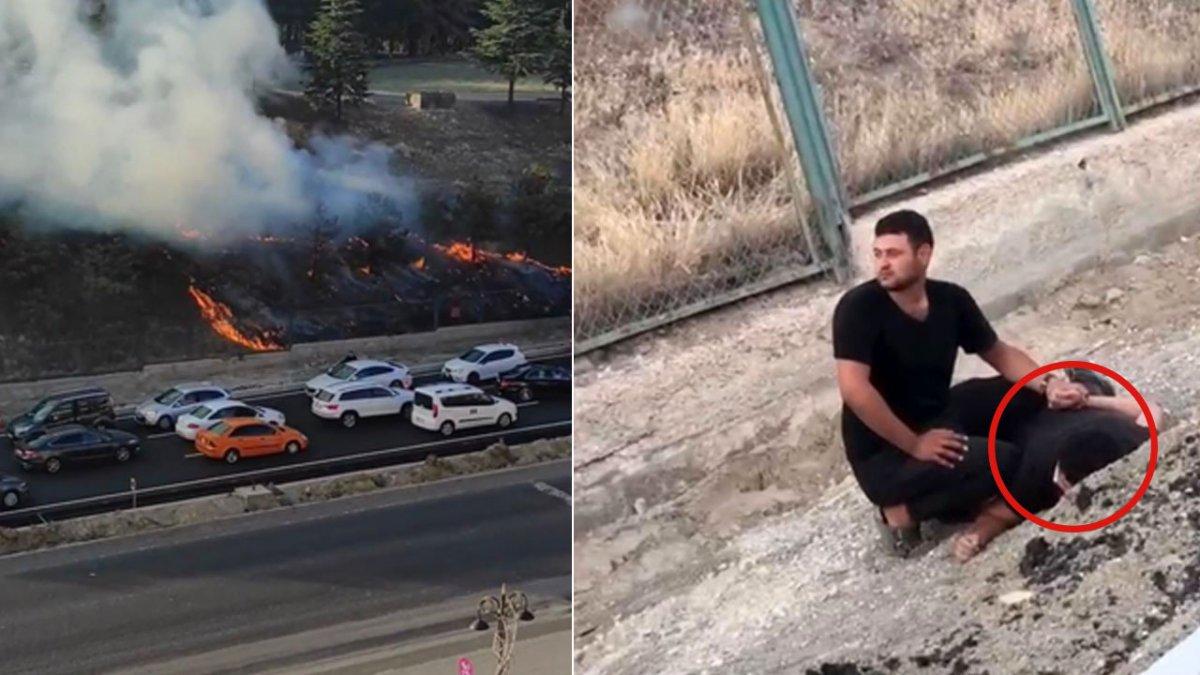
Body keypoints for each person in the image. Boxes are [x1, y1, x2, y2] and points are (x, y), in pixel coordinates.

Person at [832, 209, 1082, 558]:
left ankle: (977, 477)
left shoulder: (950, 299)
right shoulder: (858, 308)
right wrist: (915, 444)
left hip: (937, 415)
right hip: (886, 453)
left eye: (893, 254)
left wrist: (1049, 383)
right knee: (1003, 461)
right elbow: (854, 390)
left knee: (1023, 394)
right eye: (878, 254)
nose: (882, 264)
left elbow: (999, 353)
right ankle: (901, 514)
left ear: (923, 254)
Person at [946, 370, 1161, 560]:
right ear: (1062, 481)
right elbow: (997, 514)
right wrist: (976, 535)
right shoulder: (1038, 471)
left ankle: (1078, 382)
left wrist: (1087, 401)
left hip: (1042, 404)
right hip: (998, 410)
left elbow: (1150, 409)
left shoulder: (1127, 438)